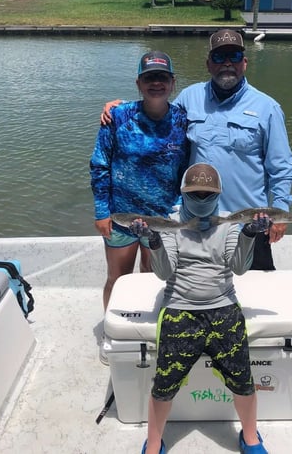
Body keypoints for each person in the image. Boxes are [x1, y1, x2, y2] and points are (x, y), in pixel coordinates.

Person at [102, 29, 292, 271]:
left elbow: (282, 167)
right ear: (208, 64)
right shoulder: (189, 97)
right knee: (194, 291)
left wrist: (280, 212)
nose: (227, 63)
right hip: (196, 222)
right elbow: (157, 113)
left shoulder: (268, 108)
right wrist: (121, 108)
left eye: (234, 56)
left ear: (244, 63)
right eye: (218, 57)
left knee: (252, 291)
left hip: (247, 222)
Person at [129, 162, 271, 454]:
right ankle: (154, 443)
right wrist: (153, 240)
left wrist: (250, 235)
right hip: (180, 309)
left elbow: (238, 268)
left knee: (243, 379)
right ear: (183, 193)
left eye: (208, 194)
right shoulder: (168, 223)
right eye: (196, 194)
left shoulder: (231, 223)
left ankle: (251, 438)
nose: (202, 199)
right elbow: (165, 273)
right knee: (164, 385)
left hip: (224, 308)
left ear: (218, 194)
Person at [89, 50, 189, 363]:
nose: (156, 83)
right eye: (149, 78)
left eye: (162, 77)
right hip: (120, 216)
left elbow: (189, 169)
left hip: (160, 218)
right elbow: (99, 164)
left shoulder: (183, 120)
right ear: (138, 83)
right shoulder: (117, 116)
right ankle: (112, 332)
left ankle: (146, 330)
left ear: (172, 83)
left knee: (151, 276)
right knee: (117, 278)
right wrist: (101, 211)